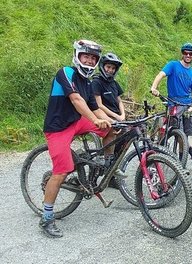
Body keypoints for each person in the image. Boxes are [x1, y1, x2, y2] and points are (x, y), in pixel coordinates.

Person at [40, 39, 113, 238]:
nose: (89, 61)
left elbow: (95, 108)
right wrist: (95, 120)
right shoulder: (66, 72)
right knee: (61, 172)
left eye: (93, 58)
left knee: (113, 131)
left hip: (77, 122)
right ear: (78, 56)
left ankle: (106, 165)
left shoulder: (87, 82)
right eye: (86, 57)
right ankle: (46, 218)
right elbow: (76, 100)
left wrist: (110, 121)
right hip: (58, 128)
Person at [150, 42, 192, 159]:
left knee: (185, 136)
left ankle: (182, 160)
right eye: (185, 53)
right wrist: (154, 87)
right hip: (174, 103)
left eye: (191, 53)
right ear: (182, 54)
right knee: (170, 130)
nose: (188, 55)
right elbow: (161, 75)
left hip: (187, 105)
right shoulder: (173, 65)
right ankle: (157, 155)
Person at [92, 52, 125, 188]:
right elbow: (99, 105)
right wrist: (116, 118)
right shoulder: (96, 82)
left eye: (113, 68)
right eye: (108, 67)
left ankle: (111, 171)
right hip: (104, 116)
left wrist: (122, 115)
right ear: (103, 67)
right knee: (111, 132)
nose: (110, 70)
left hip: (117, 116)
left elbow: (119, 100)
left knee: (125, 138)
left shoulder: (114, 83)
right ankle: (106, 164)